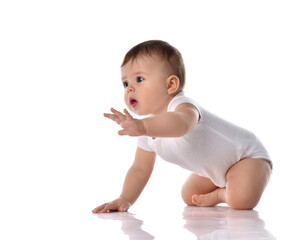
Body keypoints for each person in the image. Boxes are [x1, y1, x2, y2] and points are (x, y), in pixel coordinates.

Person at [92, 40, 272, 213]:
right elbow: (140, 169)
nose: (129, 88)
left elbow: (181, 125)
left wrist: (143, 126)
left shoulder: (183, 106)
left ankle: (222, 194)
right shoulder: (146, 131)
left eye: (139, 79)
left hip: (246, 157)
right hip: (215, 169)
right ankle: (226, 185)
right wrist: (125, 198)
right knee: (189, 195)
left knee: (242, 198)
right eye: (125, 83)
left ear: (171, 84)